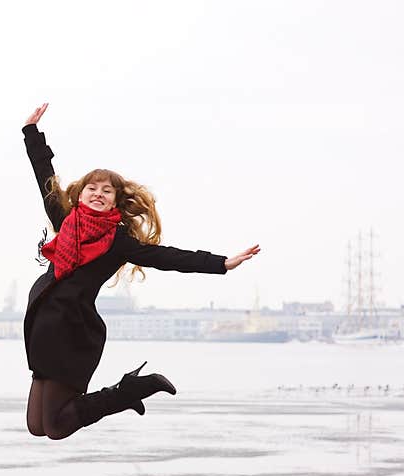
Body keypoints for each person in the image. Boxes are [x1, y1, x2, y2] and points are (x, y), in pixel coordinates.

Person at [22, 102, 259, 441]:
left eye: (107, 191)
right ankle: (126, 392)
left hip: (69, 333)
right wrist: (31, 133)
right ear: (81, 194)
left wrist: (220, 262)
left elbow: (166, 257)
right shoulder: (66, 220)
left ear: (116, 202)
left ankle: (128, 391)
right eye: (93, 188)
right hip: (41, 330)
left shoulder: (117, 241)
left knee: (57, 428)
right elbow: (45, 177)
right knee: (36, 427)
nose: (99, 194)